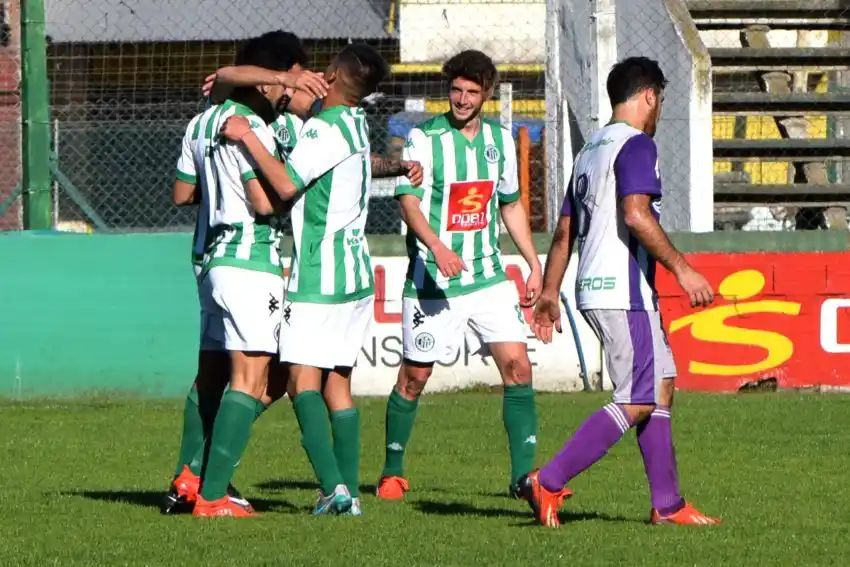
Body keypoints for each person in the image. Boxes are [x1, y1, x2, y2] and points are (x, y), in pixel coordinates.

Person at [521, 56, 721, 528]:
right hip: (623, 290)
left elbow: (566, 230)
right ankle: (547, 481)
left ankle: (668, 505)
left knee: (661, 387)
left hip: (598, 287)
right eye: (661, 101)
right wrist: (683, 270)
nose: (659, 112)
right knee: (637, 397)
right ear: (649, 95)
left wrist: (551, 291)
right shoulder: (635, 145)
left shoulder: (591, 150)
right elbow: (635, 213)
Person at [219, 43, 389, 517]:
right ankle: (351, 495)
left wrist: (245, 137)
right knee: (338, 383)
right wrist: (285, 86)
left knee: (300, 381)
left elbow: (289, 184)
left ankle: (333, 487)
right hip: (356, 272)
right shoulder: (353, 119)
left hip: (320, 272)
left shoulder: (324, 127)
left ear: (332, 77)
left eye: (324, 67)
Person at [168, 31, 327, 518]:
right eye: (287, 84)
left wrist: (217, 191)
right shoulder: (254, 126)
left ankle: (189, 478)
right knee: (256, 377)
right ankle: (213, 495)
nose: (288, 95)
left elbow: (180, 194)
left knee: (212, 376)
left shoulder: (200, 123)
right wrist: (285, 190)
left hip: (210, 260)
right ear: (269, 80)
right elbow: (262, 200)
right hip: (249, 260)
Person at [374, 50, 542, 502]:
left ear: (487, 94)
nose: (462, 99)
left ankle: (524, 477)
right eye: (456, 90)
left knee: (518, 367)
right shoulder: (423, 139)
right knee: (414, 377)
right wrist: (438, 246)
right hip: (433, 278)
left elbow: (509, 204)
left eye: (472, 91)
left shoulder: (500, 141)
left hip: (486, 276)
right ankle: (392, 471)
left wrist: (533, 262)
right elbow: (408, 202)